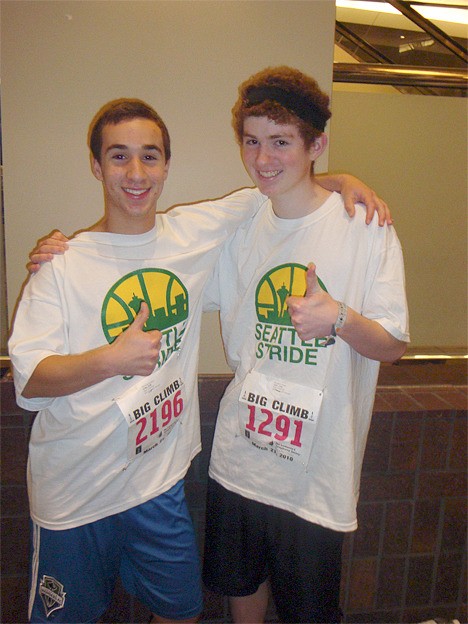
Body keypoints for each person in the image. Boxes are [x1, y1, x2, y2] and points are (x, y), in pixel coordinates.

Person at [10, 96, 388, 624]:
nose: (136, 173)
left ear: (167, 165)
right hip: (75, 494)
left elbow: (278, 178)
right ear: (96, 166)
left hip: (157, 485)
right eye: (118, 157)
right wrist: (109, 358)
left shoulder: (194, 231)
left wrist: (341, 178)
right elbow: (29, 382)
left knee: (183, 611)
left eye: (150, 155)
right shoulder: (61, 266)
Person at [201, 66, 409, 623]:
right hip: (239, 459)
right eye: (252, 141)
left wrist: (338, 318)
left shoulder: (365, 228)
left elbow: (391, 345)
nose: (263, 158)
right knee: (240, 594)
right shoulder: (240, 229)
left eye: (281, 142)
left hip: (315, 475)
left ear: (316, 144)